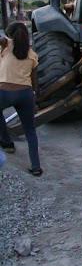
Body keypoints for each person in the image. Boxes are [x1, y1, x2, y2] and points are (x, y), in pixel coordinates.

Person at [0, 22, 41, 176]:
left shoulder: (7, 45)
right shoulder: (32, 54)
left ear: (9, 36)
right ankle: (36, 167)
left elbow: (2, 40)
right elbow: (34, 82)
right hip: (26, 94)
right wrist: (35, 101)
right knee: (30, 131)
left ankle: (7, 142)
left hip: (4, 92)